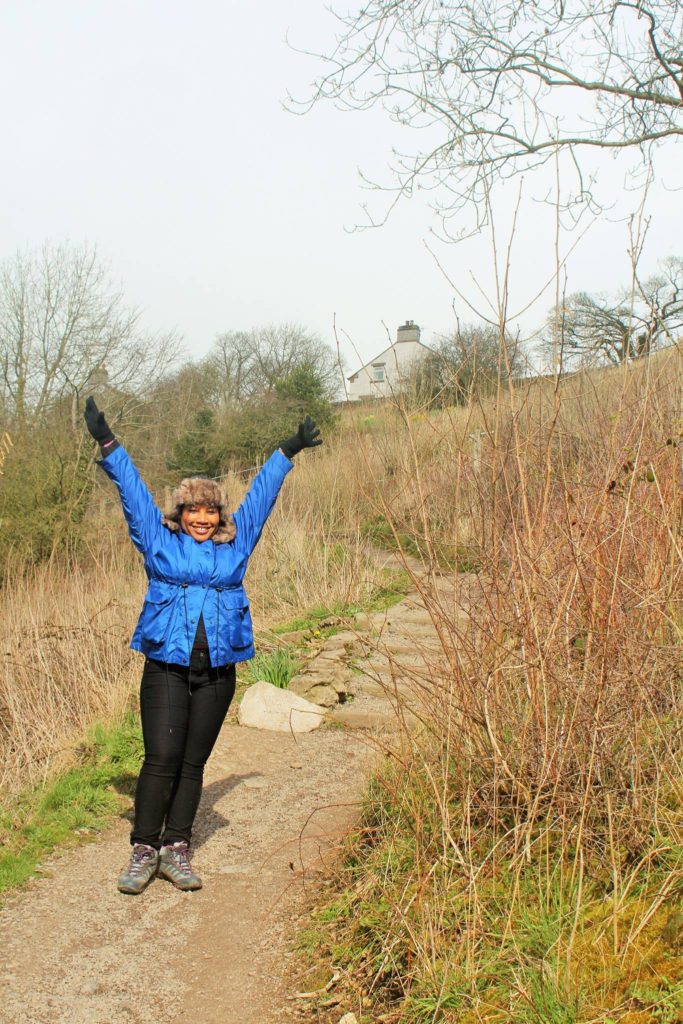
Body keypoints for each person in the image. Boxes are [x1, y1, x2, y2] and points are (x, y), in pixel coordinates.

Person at [83, 397, 322, 895]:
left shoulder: (237, 543)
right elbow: (132, 492)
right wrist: (108, 443)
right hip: (166, 668)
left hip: (218, 670)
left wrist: (288, 450)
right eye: (193, 509)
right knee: (161, 756)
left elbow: (260, 498)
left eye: (210, 510)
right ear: (181, 512)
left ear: (218, 515)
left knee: (194, 762)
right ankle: (144, 848)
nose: (201, 518)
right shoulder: (158, 540)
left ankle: (176, 848)